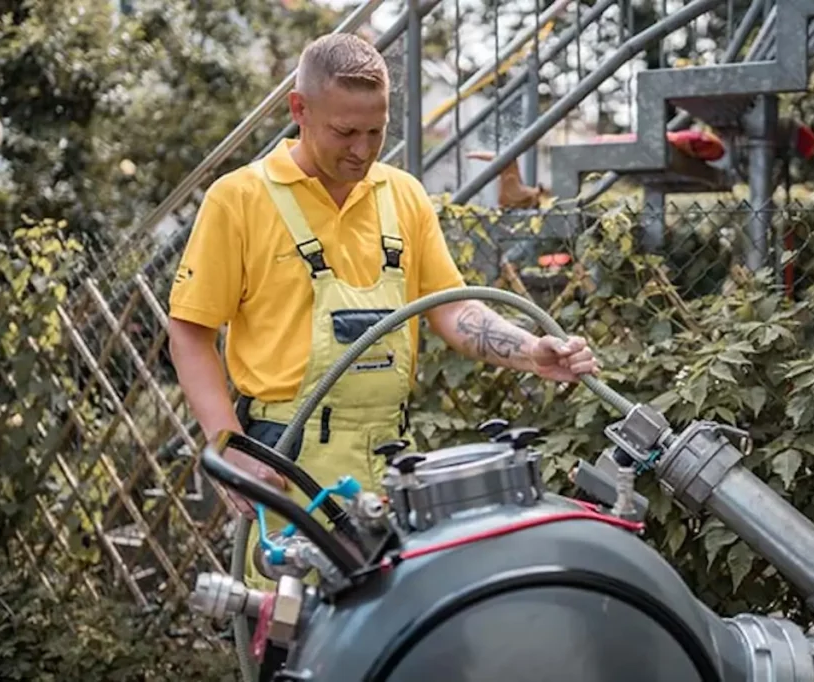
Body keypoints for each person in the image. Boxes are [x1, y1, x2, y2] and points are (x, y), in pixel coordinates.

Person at [167, 31, 598, 680]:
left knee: (411, 651)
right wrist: (227, 445)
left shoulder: (401, 195)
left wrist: (530, 350)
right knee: (305, 650)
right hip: (290, 466)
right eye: (346, 133)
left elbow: (454, 310)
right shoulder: (242, 199)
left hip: (395, 471)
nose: (363, 151)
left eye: (376, 132)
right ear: (299, 110)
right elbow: (190, 330)